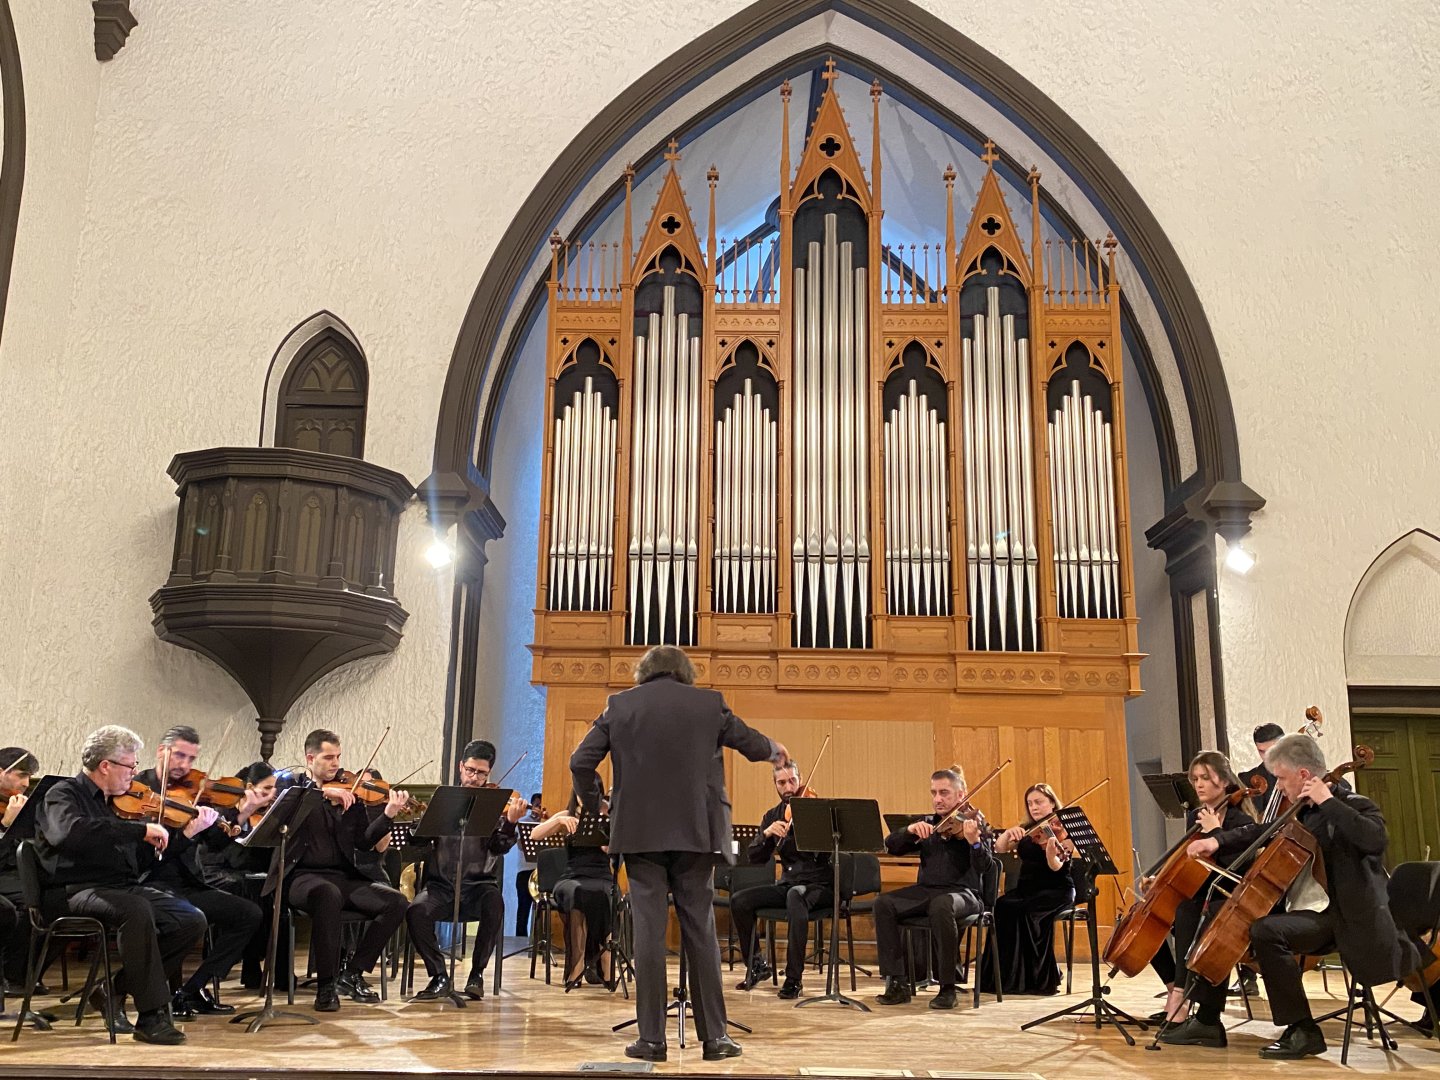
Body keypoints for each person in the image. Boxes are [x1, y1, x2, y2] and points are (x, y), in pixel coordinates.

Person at [571, 644, 788, 1063]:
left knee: (649, 936)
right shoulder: (709, 703)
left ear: (644, 672)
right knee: (701, 932)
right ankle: (715, 1038)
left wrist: (596, 803)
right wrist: (773, 749)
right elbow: (749, 742)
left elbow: (580, 761)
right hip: (697, 833)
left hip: (639, 835)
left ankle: (652, 1040)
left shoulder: (620, 706)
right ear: (684, 672)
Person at [1193, 734, 1418, 1059]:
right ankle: (1209, 1018)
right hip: (1311, 911)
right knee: (1235, 916)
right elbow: (1262, 831)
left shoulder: (1353, 804)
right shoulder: (1302, 813)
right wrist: (1217, 841)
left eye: (1282, 779)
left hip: (1346, 917)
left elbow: (1375, 840)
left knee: (1266, 931)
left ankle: (1302, 1030)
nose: (1279, 787)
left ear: (1303, 775)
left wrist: (1328, 801)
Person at [34, 725, 203, 1044]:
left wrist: (168, 841)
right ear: (106, 765)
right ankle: (151, 1018)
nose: (135, 773)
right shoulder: (63, 794)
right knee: (135, 910)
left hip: (117, 887)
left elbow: (136, 862)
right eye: (131, 765)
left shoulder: (116, 803)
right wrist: (138, 831)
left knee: (190, 919)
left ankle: (112, 989)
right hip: (74, 890)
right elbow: (71, 834)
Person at [270, 728, 411, 1012]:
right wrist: (322, 793)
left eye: (338, 757)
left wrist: (387, 815)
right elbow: (283, 807)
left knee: (396, 902)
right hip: (301, 878)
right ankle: (325, 988)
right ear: (310, 758)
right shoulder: (293, 785)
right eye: (328, 757)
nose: (335, 763)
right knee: (328, 894)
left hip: (342, 877)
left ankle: (352, 973)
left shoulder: (350, 793)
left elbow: (364, 842)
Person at [134, 725, 263, 1019]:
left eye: (191, 758)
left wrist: (241, 814)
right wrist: (187, 833)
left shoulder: (195, 792)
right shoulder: (139, 791)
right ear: (161, 751)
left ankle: (192, 989)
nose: (185, 765)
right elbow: (146, 856)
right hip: (150, 882)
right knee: (188, 919)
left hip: (187, 883)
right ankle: (153, 993)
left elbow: (216, 844)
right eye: (180, 755)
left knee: (249, 914)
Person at [1149, 752, 1257, 1046]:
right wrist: (1161, 879)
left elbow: (1235, 867)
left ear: (1224, 781)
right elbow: (1194, 863)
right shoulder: (1195, 816)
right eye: (1195, 779)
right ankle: (1178, 992)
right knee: (1160, 916)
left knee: (1194, 915)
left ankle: (1184, 1002)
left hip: (1231, 897)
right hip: (1204, 893)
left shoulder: (1240, 819)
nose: (1198, 784)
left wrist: (1216, 832)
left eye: (1205, 778)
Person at [406, 739, 524, 1002]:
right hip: (440, 887)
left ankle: (476, 975)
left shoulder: (495, 807)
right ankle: (439, 976)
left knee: (494, 903)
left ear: (489, 773)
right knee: (416, 911)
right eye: (470, 770)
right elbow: (417, 845)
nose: (474, 777)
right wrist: (421, 824)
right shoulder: (442, 801)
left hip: (478, 887)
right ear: (461, 767)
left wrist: (510, 824)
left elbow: (499, 847)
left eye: (481, 773)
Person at [872, 768, 993, 1010]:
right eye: (934, 793)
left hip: (965, 894)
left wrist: (974, 842)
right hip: (928, 890)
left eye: (944, 793)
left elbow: (985, 867)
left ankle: (947, 988)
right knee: (883, 903)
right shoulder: (927, 824)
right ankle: (897, 982)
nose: (938, 799)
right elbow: (891, 846)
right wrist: (908, 831)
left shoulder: (974, 824)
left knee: (941, 905)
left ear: (961, 794)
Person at [729, 760, 832, 999]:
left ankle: (794, 979)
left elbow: (826, 853)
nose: (788, 787)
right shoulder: (773, 816)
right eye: (782, 782)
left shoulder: (818, 811)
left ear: (800, 779)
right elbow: (755, 857)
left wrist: (808, 824)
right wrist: (766, 835)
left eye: (792, 781)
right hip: (788, 884)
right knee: (740, 900)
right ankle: (757, 965)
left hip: (819, 886)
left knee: (796, 896)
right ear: (775, 784)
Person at [984, 783, 1075, 996]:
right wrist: (1008, 834)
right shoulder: (1027, 830)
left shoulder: (1065, 831)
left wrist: (1051, 854)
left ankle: (1037, 979)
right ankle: (1004, 979)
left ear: (1052, 803)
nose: (1033, 807)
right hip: (1027, 889)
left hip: (1057, 890)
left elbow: (1057, 867)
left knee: (1027, 913)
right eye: (1030, 803)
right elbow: (999, 848)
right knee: (1002, 907)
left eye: (1039, 802)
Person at [201, 760, 277, 990]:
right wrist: (245, 813)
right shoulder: (225, 810)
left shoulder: (266, 815)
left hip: (243, 873)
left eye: (274, 789)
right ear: (250, 787)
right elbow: (222, 853)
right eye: (267, 789)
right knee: (245, 888)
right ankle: (243, 962)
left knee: (268, 889)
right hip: (215, 870)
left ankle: (263, 963)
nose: (272, 794)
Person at [531, 786, 616, 990]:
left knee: (607, 894)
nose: (585, 797)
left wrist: (607, 842)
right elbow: (535, 835)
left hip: (602, 875)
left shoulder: (608, 815)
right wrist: (559, 821)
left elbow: (616, 851)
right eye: (581, 792)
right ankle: (576, 964)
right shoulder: (567, 815)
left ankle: (605, 960)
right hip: (572, 876)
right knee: (576, 892)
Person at [0, 747, 38, 995]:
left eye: (29, 777)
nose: (26, 783)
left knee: (54, 899)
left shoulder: (23, 804)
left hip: (15, 873)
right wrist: (6, 825)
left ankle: (27, 973)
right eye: (21, 775)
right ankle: (11, 974)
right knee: (27, 901)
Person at [514, 792, 544, 937]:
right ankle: (520, 939)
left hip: (542, 871)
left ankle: (537, 938)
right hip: (525, 870)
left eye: (541, 806)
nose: (538, 808)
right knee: (523, 907)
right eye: (536, 805)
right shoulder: (523, 821)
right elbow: (520, 845)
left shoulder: (547, 822)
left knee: (540, 908)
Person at [1238, 722, 1284, 815]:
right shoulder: (1247, 780)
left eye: (1271, 751)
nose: (1267, 757)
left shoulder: (1300, 773)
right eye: (1262, 751)